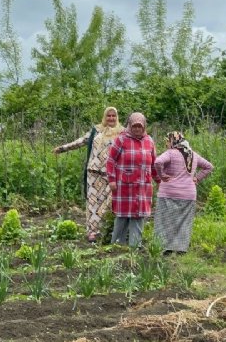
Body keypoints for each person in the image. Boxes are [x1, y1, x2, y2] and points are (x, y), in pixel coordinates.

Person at [53, 106, 124, 243]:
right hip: (94, 172)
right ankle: (92, 232)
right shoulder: (96, 130)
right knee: (93, 203)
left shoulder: (122, 133)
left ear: (117, 117)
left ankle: (107, 230)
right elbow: (81, 141)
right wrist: (62, 148)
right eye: (108, 116)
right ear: (104, 117)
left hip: (112, 174)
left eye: (113, 116)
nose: (111, 118)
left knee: (110, 203)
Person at [153, 131, 214, 255]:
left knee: (165, 221)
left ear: (172, 141)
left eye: (167, 141)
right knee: (184, 222)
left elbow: (158, 162)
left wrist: (162, 176)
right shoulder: (193, 155)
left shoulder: (171, 153)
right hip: (188, 194)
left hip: (168, 193)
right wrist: (197, 178)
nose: (167, 144)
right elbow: (209, 167)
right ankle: (181, 249)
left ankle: (165, 248)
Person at [106, 112, 160, 247]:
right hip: (124, 185)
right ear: (129, 125)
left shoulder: (149, 141)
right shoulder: (122, 139)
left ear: (144, 127)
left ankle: (135, 246)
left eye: (139, 127)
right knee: (122, 216)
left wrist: (159, 180)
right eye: (134, 126)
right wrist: (112, 179)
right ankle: (117, 245)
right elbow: (111, 160)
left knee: (139, 215)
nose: (137, 129)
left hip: (143, 185)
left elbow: (154, 163)